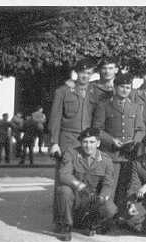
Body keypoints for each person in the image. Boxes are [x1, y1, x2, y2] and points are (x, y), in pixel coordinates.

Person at [48, 58, 97, 224]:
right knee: (63, 180)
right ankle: (60, 220)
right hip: (67, 141)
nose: (85, 76)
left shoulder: (94, 92)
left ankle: (77, 219)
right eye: (83, 72)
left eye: (89, 73)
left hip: (87, 143)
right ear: (77, 73)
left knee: (83, 180)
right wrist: (54, 142)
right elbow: (55, 119)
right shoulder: (63, 91)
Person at [93, 72, 145, 207]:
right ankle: (106, 218)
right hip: (111, 154)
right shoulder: (104, 105)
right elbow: (97, 129)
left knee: (125, 187)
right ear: (115, 87)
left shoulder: (136, 107)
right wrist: (111, 140)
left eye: (128, 87)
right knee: (109, 186)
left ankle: (121, 217)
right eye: (122, 87)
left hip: (129, 155)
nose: (125, 90)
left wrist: (134, 141)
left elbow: (140, 129)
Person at [55, 128, 118, 241]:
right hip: (76, 198)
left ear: (98, 143)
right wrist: (80, 186)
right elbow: (64, 175)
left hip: (93, 200)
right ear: (81, 142)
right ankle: (67, 226)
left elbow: (108, 184)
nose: (88, 146)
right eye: (85, 142)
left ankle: (92, 223)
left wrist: (102, 197)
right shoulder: (71, 153)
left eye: (92, 142)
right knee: (63, 190)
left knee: (110, 209)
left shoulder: (106, 160)